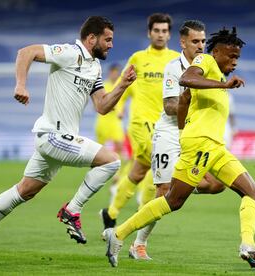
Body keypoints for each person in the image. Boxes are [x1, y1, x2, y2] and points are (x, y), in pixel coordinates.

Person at [0, 16, 136, 268]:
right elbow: (27, 52)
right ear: (91, 38)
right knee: (111, 162)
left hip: (57, 141)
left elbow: (102, 106)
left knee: (26, 190)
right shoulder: (70, 52)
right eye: (107, 39)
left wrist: (122, 85)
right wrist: (21, 84)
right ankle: (72, 210)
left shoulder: (94, 68)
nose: (110, 45)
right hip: (53, 136)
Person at [103, 27, 255, 270]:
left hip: (215, 147)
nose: (235, 62)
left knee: (253, 193)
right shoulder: (206, 61)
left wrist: (182, 132)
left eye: (238, 58)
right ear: (218, 51)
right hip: (201, 144)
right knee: (172, 200)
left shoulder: (218, 77)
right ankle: (118, 234)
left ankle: (247, 245)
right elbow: (186, 79)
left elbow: (184, 101)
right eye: (231, 56)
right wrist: (222, 87)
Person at [128, 20, 225, 261]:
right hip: (169, 135)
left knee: (216, 184)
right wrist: (191, 98)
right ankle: (137, 244)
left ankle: (178, 187)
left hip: (194, 134)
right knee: (163, 192)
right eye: (195, 41)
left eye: (203, 41)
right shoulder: (174, 68)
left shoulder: (209, 67)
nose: (201, 45)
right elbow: (170, 106)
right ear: (183, 43)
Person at [99, 13, 179, 235]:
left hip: (165, 126)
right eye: (157, 31)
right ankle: (143, 216)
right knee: (159, 169)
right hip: (141, 123)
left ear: (169, 34)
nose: (160, 35)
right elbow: (122, 85)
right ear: (149, 32)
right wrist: (119, 107)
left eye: (164, 31)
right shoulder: (138, 58)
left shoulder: (176, 59)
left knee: (138, 171)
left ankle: (111, 213)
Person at [94, 63, 128, 201]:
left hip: (115, 122)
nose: (115, 74)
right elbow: (98, 101)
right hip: (103, 121)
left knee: (119, 145)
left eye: (117, 72)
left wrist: (120, 111)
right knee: (99, 148)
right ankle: (96, 170)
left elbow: (121, 103)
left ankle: (116, 173)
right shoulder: (103, 85)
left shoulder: (120, 86)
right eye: (113, 72)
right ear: (110, 73)